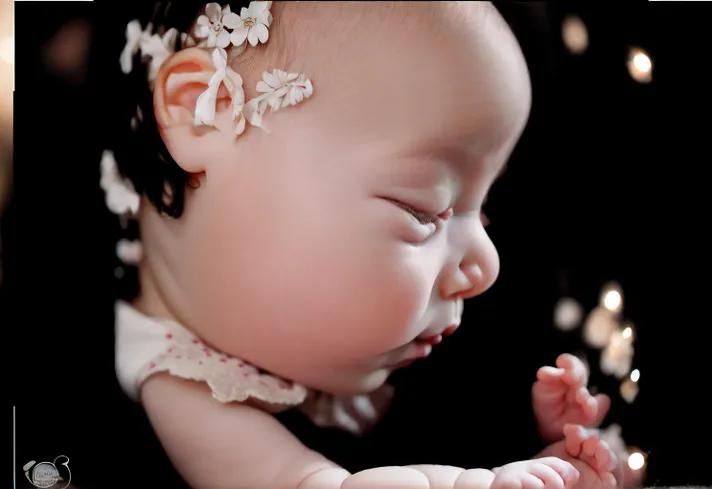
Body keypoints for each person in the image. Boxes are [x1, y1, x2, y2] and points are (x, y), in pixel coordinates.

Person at [103, 2, 621, 488]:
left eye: (482, 210)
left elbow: (453, 418)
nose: (487, 263)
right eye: (424, 209)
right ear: (207, 110)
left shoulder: (360, 337)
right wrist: (472, 482)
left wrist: (546, 444)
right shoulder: (183, 388)